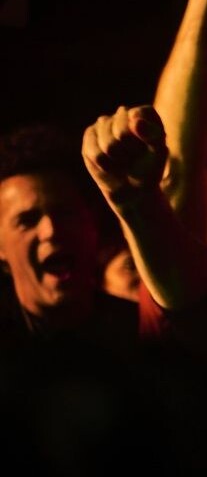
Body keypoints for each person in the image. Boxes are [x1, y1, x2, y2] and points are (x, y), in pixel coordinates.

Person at [0, 122, 137, 354]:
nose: (51, 230)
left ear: (92, 223)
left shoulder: (138, 336)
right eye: (28, 220)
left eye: (64, 213)